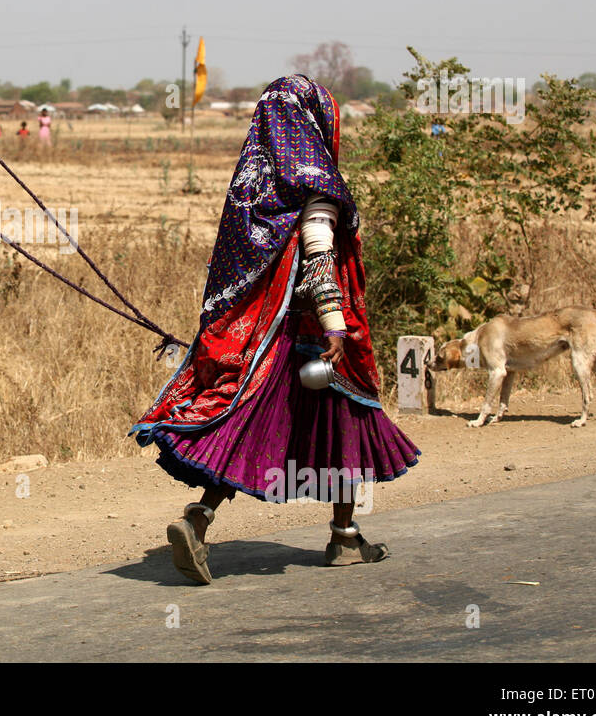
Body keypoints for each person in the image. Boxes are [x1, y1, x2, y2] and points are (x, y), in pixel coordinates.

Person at [130, 74, 420, 583]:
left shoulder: (255, 189)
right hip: (318, 339)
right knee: (346, 427)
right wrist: (334, 324)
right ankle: (345, 538)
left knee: (247, 429)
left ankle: (198, 520)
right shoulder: (316, 185)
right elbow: (319, 254)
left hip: (264, 343)